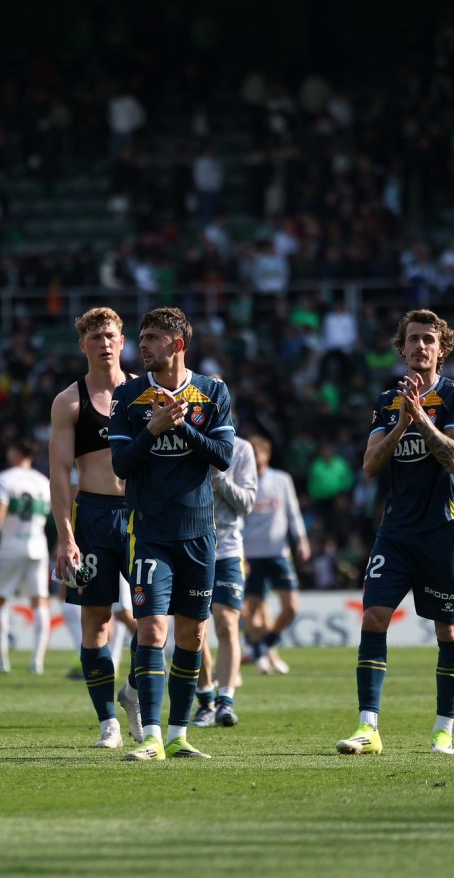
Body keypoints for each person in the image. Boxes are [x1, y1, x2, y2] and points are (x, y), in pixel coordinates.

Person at [336, 309, 454, 757]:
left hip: (441, 528)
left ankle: (443, 731)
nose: (420, 346)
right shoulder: (385, 400)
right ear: (402, 347)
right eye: (413, 339)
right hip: (396, 531)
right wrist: (400, 424)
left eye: (429, 340)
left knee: (447, 629)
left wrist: (422, 417)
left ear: (442, 348)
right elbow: (371, 466)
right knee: (374, 616)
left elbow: (453, 458)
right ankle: (368, 727)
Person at [109, 306, 235, 761]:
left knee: (193, 637)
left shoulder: (212, 392)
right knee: (151, 630)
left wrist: (182, 429)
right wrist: (154, 429)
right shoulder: (128, 396)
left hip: (199, 532)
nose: (141, 345)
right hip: (149, 531)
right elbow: (121, 464)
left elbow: (222, 455)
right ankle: (151, 738)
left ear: (177, 344)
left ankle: (180, 734)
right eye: (141, 337)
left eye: (153, 338)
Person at [48, 306, 143, 748]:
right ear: (82, 345)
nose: (104, 342)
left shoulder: (146, 394)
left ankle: (133, 692)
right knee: (97, 623)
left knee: (154, 620)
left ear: (123, 341)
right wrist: (65, 536)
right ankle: (108, 722)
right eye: (95, 336)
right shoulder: (70, 401)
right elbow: (60, 473)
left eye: (110, 335)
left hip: (143, 515)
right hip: (93, 516)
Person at [192, 432, 257, 728]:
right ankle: (205, 699)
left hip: (228, 550)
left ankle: (226, 701)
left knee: (227, 622)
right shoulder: (185, 442)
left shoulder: (242, 449)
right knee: (195, 628)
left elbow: (247, 502)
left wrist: (220, 479)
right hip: (191, 546)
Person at [0, 439, 53, 676]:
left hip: (11, 546)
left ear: (14, 452)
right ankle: (38, 661)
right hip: (38, 545)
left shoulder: (4, 479)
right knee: (40, 601)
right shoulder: (43, 481)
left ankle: (1, 659)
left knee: (0, 600)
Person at [242, 434, 310, 676]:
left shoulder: (281, 480)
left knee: (290, 607)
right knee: (253, 610)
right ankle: (264, 655)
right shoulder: (243, 481)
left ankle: (263, 647)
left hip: (279, 553)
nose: (253, 456)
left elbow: (293, 513)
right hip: (251, 555)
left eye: (257, 452)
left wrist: (302, 541)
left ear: (266, 454)